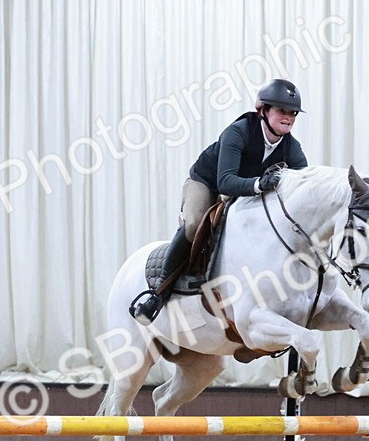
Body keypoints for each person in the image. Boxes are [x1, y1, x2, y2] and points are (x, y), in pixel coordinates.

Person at [129, 78, 309, 325]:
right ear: (263, 110)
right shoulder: (238, 132)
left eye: (293, 113)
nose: (288, 117)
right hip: (207, 182)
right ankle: (159, 292)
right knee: (194, 225)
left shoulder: (292, 147)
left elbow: (301, 184)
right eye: (281, 110)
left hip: (243, 191)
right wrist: (259, 184)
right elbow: (225, 182)